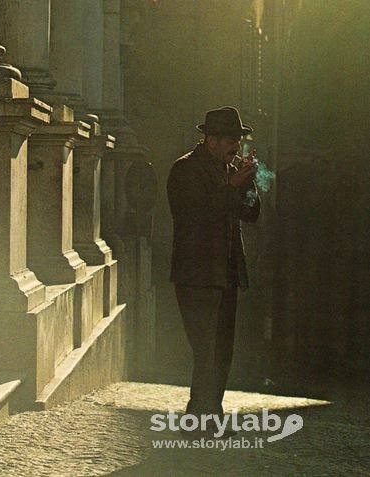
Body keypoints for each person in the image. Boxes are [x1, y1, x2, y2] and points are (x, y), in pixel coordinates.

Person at [167, 106, 260, 434]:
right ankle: (198, 419)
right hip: (197, 274)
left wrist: (248, 184)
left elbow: (251, 214)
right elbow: (197, 214)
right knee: (204, 348)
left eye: (239, 139)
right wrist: (234, 184)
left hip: (227, 272)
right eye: (231, 140)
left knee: (221, 349)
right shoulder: (186, 170)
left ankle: (209, 416)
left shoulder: (229, 170)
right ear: (211, 140)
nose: (237, 146)